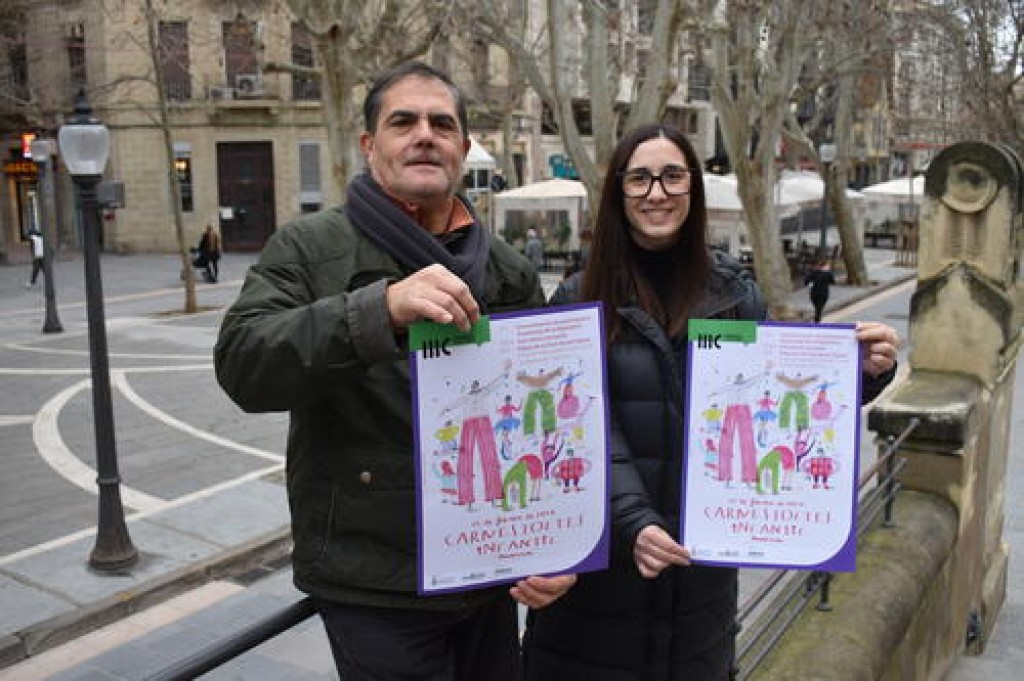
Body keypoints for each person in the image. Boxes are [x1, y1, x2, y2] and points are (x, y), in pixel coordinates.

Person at [214, 61, 574, 681]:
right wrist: (377, 311)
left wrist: (549, 547)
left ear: (464, 147)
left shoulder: (507, 268)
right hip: (374, 586)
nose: (425, 135)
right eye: (403, 122)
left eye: (442, 124)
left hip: (486, 571)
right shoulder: (307, 247)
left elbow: (537, 426)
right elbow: (243, 363)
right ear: (369, 144)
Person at [521, 124, 899, 680]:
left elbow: (772, 405)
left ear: (693, 189)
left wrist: (859, 376)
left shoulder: (737, 294)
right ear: (619, 193)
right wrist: (632, 523)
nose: (656, 192)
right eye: (639, 178)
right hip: (598, 598)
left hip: (699, 602)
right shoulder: (579, 297)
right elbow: (577, 430)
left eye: (672, 176)